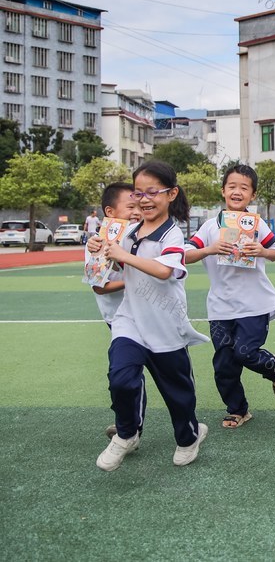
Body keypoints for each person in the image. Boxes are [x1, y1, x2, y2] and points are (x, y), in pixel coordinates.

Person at [92, 161, 210, 471]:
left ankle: (190, 436)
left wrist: (122, 254)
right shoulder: (130, 230)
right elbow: (113, 263)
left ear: (171, 194)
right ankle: (126, 434)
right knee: (121, 378)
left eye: (152, 192)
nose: (144, 199)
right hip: (129, 319)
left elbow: (163, 270)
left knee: (178, 395)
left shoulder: (172, 234)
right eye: (138, 193)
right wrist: (98, 248)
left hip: (165, 325)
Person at [184, 163, 275, 429]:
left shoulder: (257, 225)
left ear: (252, 195)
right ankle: (238, 409)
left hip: (255, 304)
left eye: (244, 188)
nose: (237, 191)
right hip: (220, 308)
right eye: (232, 186)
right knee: (224, 364)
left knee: (244, 352)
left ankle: (274, 367)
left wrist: (261, 250)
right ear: (223, 191)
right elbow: (185, 254)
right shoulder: (210, 227)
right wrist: (210, 249)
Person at [87, 182, 144, 440]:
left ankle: (187, 425)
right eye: (130, 206)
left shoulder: (147, 235)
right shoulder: (98, 243)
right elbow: (100, 287)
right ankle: (130, 426)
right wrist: (135, 279)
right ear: (110, 212)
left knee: (168, 374)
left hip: (150, 313)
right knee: (125, 373)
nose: (137, 211)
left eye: (140, 205)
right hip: (118, 318)